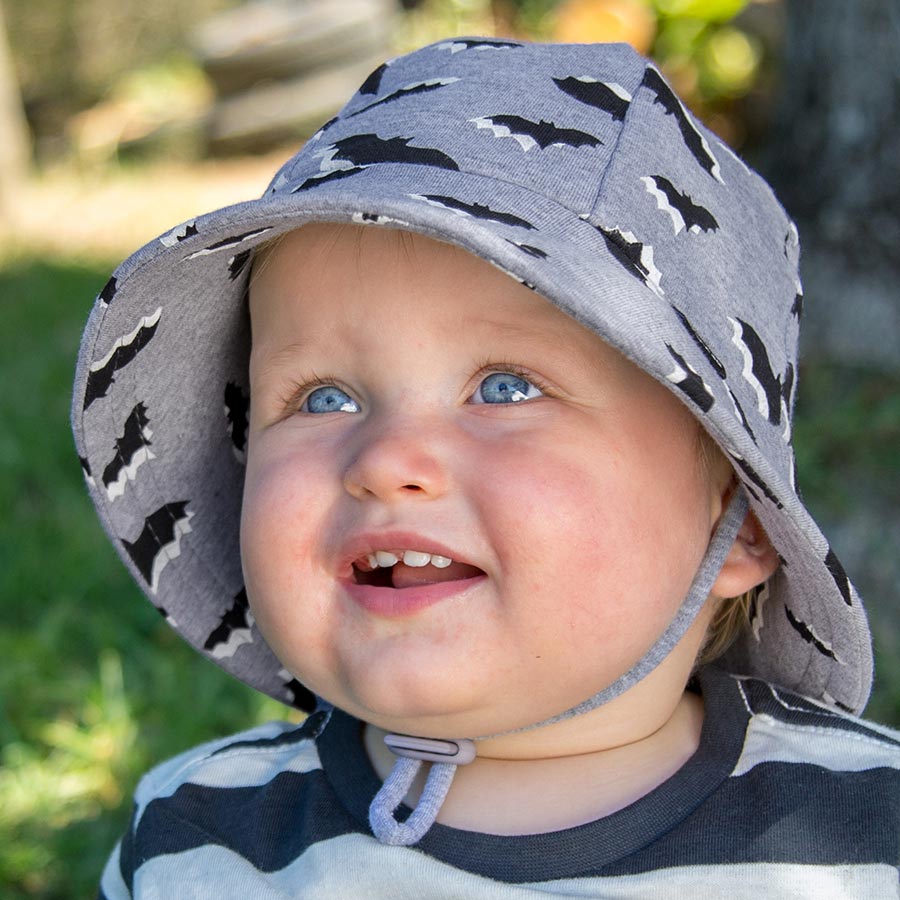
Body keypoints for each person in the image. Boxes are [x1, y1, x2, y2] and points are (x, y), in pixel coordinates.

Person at [73, 37, 899, 897]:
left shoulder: (860, 840)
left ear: (741, 520)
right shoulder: (198, 842)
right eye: (322, 398)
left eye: (506, 388)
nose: (386, 460)